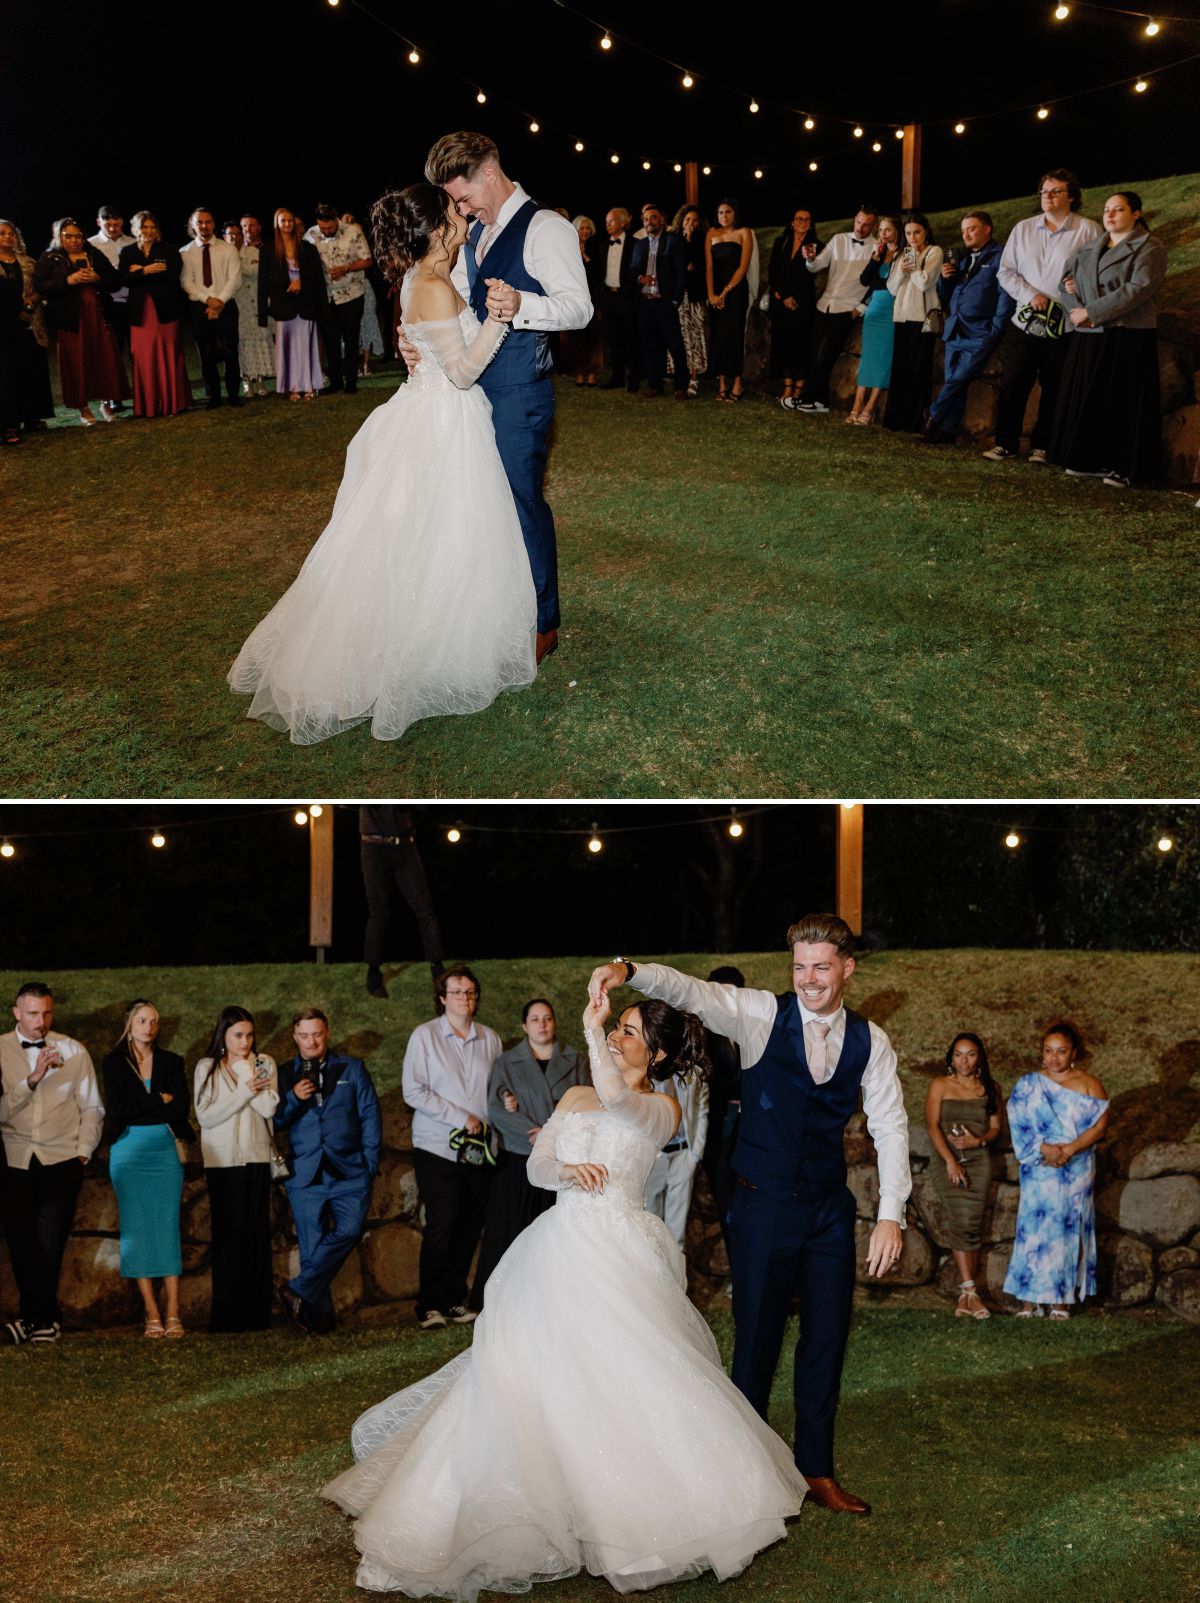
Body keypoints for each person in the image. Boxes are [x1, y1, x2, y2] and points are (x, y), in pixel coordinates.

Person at [322, 992, 808, 1595]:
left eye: (627, 1032)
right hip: (559, 1244)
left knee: (629, 1374)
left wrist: (588, 1023)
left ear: (655, 1053)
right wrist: (567, 1172)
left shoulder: (663, 1108)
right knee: (524, 1372)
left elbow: (619, 1100)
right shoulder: (576, 1095)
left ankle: (637, 1509)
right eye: (616, 1028)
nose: (614, 1038)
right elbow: (536, 1165)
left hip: (621, 1250)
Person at [588, 912, 910, 1516]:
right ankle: (742, 1475)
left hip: (828, 1214)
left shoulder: (872, 1041)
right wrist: (629, 970)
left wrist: (890, 1212)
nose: (809, 979)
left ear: (847, 969)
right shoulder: (761, 1014)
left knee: (827, 1340)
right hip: (761, 1206)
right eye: (799, 967)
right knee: (756, 1342)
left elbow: (890, 1124)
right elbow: (689, 992)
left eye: (821, 967)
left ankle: (815, 1469)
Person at [229, 183, 537, 744]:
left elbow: (428, 340)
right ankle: (419, 655)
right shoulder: (432, 284)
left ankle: (449, 645)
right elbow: (464, 372)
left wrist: (414, 337)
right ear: (438, 228)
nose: (463, 216)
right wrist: (497, 318)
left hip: (433, 413)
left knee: (433, 539)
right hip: (444, 421)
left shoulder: (424, 279)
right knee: (438, 536)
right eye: (454, 212)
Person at [424, 130, 593, 663]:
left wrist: (523, 303)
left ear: (489, 175)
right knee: (484, 507)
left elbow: (579, 308)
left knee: (521, 504)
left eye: (462, 195)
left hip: (521, 392)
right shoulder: (477, 232)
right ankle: (498, 609)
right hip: (473, 393)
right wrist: (420, 346)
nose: (459, 207)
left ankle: (543, 623)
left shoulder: (547, 228)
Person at [1, 983, 103, 1345]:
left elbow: (92, 1107)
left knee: (48, 1242)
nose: (40, 1021)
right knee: (21, 1242)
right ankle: (42, 1320)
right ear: (16, 1013)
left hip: (62, 1159)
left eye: (46, 1013)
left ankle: (34, 1320)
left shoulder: (74, 1050)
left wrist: (83, 1151)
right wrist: (32, 1079)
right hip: (15, 1159)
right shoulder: (1, 1050)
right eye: (32, 1013)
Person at [401, 966, 501, 1329]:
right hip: (437, 1145)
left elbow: (494, 1087)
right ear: (442, 998)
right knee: (442, 1222)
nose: (465, 998)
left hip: (480, 1149)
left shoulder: (490, 1038)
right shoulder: (424, 1036)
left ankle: (456, 1299)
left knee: (470, 1224)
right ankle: (429, 1305)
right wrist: (460, 1117)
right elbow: (413, 1090)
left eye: (471, 991)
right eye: (457, 992)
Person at [1050, 192, 1168, 488]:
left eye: (1118, 210)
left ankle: (1125, 467)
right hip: (1091, 333)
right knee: (1096, 398)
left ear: (1136, 214)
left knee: (1124, 402)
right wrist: (1076, 309)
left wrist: (1091, 310)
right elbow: (1065, 282)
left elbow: (1138, 289)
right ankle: (1091, 460)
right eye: (1106, 210)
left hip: (1127, 333)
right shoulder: (1092, 247)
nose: (1110, 215)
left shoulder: (1149, 248)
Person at [275, 1008, 381, 1335]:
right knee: (312, 1246)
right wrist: (293, 1098)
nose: (311, 1041)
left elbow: (369, 1116)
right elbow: (275, 1121)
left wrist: (369, 1165)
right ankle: (321, 1321)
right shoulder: (284, 1073)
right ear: (295, 1037)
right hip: (305, 1173)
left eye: (317, 1034)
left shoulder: (352, 1067)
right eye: (304, 1035)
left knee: (349, 1230)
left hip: (349, 1171)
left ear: (327, 1033)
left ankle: (296, 1290)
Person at [984, 168, 1102, 463]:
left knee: (1055, 386)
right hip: (1024, 321)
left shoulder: (1088, 230)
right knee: (1013, 382)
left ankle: (1043, 446)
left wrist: (1081, 288)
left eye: (1055, 191)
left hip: (1064, 324)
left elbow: (1097, 272)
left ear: (1071, 196)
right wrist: (1030, 295)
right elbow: (1006, 272)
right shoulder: (1023, 228)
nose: (1047, 196)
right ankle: (1006, 443)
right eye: (1044, 192)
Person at [471, 997, 585, 1302]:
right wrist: (531, 1133)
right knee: (511, 1229)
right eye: (535, 1019)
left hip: (559, 1158)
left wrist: (551, 1135)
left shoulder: (575, 1060)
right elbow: (497, 1109)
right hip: (520, 1157)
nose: (542, 1025)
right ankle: (501, 1297)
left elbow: (588, 1105)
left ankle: (551, 1295)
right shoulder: (507, 1063)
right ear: (524, 1026)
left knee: (554, 1232)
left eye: (547, 1018)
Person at [1004, 1022, 1109, 1319]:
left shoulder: (1089, 1084)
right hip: (1040, 1169)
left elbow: (1100, 1126)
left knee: (1066, 1231)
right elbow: (1018, 1124)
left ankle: (1061, 1300)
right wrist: (1044, 1149)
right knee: (1033, 1231)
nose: (1054, 1058)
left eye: (1061, 1051)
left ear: (1073, 1052)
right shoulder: (1028, 1085)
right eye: (1048, 1051)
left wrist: (1070, 1149)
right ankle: (1029, 1300)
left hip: (1075, 1169)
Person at [101, 999, 193, 1337]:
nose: (149, 1027)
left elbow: (180, 1107)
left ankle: (173, 1310)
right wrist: (158, 1100)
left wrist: (156, 1106)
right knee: (136, 1230)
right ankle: (150, 1310)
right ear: (130, 1023)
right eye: (142, 1020)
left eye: (154, 1021)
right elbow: (119, 1110)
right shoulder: (114, 1064)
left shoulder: (171, 1061)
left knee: (167, 1227)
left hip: (164, 1152)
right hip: (128, 1151)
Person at [193, 1006, 278, 1332]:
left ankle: (257, 1315)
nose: (245, 1041)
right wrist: (246, 1089)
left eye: (249, 1035)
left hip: (256, 1158)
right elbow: (207, 1116)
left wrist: (245, 1071)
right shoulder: (207, 1067)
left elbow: (269, 1106)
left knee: (256, 1235)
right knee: (228, 1236)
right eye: (238, 1035)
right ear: (224, 1036)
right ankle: (227, 1316)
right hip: (222, 1161)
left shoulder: (263, 1063)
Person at [923, 1033, 1003, 1319]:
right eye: (958, 1054)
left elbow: (995, 1128)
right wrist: (950, 1162)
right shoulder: (940, 1085)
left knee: (973, 1223)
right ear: (950, 1058)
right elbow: (932, 1126)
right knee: (959, 1220)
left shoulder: (990, 1088)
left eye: (970, 1054)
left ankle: (966, 1296)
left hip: (978, 1161)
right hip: (947, 1160)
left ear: (979, 1057)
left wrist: (977, 1141)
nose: (964, 1061)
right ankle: (971, 1291)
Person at [923, 211, 1014, 445]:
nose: (966, 234)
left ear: (987, 229)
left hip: (981, 331)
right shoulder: (961, 258)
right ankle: (946, 432)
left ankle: (933, 413)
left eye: (971, 229)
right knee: (955, 379)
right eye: (963, 230)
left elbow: (1005, 295)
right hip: (955, 329)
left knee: (959, 378)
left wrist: (995, 328)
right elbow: (946, 296)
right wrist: (945, 278)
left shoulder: (1000, 256)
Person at [34, 217, 129, 425]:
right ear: (59, 236)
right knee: (77, 362)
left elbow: (115, 279)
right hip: (70, 319)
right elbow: (40, 286)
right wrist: (68, 280)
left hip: (98, 314)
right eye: (68, 236)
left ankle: (106, 403)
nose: (75, 240)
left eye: (78, 236)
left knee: (104, 359)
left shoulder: (93, 253)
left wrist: (98, 278)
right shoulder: (50, 258)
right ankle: (83, 408)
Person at [795, 205, 877, 413]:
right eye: (859, 222)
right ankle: (822, 402)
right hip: (825, 305)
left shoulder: (876, 248)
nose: (861, 227)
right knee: (816, 353)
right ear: (855, 219)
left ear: (873, 226)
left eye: (867, 225)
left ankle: (808, 396)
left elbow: (877, 281)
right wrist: (810, 258)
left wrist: (860, 308)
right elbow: (817, 265)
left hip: (847, 308)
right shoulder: (839, 239)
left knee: (826, 352)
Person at [359, 807, 445, 999]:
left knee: (425, 909)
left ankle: (437, 968)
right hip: (373, 847)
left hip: (405, 847)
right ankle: (373, 972)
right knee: (378, 912)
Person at [119, 211, 191, 418]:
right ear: (136, 229)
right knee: (144, 356)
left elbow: (171, 276)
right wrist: (146, 271)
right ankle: (148, 404)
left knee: (169, 353)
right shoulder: (127, 251)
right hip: (139, 313)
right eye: (144, 227)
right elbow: (124, 278)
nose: (149, 231)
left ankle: (174, 402)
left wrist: (139, 272)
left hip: (166, 311)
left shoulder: (169, 249)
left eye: (152, 227)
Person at [700, 964, 745, 1269]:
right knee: (727, 1203)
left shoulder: (751, 1030)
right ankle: (737, 1270)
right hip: (718, 1132)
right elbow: (708, 1082)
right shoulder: (702, 1035)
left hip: (750, 1129)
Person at [883, 212, 944, 433]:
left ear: (925, 231)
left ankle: (915, 421)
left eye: (916, 232)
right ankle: (895, 419)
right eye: (908, 233)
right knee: (901, 369)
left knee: (919, 370)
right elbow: (891, 287)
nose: (912, 237)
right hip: (901, 316)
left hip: (922, 319)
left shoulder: (934, 252)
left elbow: (926, 283)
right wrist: (902, 270)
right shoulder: (901, 254)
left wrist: (914, 268)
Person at [644, 1046, 709, 1251]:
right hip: (654, 1156)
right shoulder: (643, 1072)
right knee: (649, 1220)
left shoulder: (694, 1073)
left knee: (677, 1227)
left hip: (683, 1153)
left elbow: (702, 1112)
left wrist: (695, 1154)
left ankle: (675, 1278)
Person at [305, 202, 373, 395]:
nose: (326, 231)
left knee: (351, 339)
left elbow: (367, 260)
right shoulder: (310, 235)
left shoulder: (353, 232)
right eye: (322, 228)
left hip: (352, 293)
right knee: (330, 341)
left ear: (336, 220)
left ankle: (350, 380)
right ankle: (335, 381)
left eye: (330, 227)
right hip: (326, 297)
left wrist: (346, 268)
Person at [179, 207, 243, 409]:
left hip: (226, 305)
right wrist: (208, 300)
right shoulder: (185, 252)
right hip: (200, 307)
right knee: (206, 355)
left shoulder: (228, 249)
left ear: (214, 224)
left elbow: (235, 279)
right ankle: (214, 396)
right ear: (193, 225)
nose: (204, 226)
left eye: (208, 222)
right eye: (199, 222)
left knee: (231, 352)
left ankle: (233, 394)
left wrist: (220, 301)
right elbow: (186, 282)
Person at [259, 207, 326, 401]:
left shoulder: (308, 248)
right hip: (283, 306)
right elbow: (265, 281)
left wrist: (301, 283)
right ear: (277, 224)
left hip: (305, 306)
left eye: (290, 220)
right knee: (287, 350)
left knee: (307, 347)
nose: (287, 224)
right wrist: (264, 312)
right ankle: (294, 387)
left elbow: (317, 280)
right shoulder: (269, 249)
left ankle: (309, 385)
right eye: (283, 221)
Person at [628, 202, 690, 400]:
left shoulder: (673, 241)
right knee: (650, 345)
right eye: (645, 219)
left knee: (675, 344)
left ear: (662, 219)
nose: (649, 222)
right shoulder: (640, 244)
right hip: (645, 302)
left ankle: (681, 386)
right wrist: (640, 278)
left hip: (665, 302)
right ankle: (655, 384)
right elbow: (631, 271)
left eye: (653, 218)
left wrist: (675, 300)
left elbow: (681, 274)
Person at [0, 219, 53, 444]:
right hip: (3, 325)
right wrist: (13, 309)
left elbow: (41, 289)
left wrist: (30, 302)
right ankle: (9, 423)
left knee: (30, 368)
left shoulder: (28, 262)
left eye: (11, 234)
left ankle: (32, 416)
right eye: (2, 234)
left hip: (30, 321)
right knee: (6, 374)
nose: (7, 237)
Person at [849, 215, 901, 425]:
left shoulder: (902, 254)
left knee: (883, 357)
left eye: (887, 230)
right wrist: (875, 259)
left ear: (897, 231)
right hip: (874, 308)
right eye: (880, 231)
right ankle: (857, 403)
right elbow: (865, 280)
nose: (882, 235)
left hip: (892, 307)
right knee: (868, 356)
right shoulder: (880, 253)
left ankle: (870, 407)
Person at [770, 207, 819, 410]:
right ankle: (787, 386)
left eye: (807, 219)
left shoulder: (815, 245)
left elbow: (811, 274)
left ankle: (799, 389)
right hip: (782, 300)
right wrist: (782, 295)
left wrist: (794, 297)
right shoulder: (781, 243)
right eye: (799, 219)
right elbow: (773, 269)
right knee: (783, 343)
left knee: (801, 345)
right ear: (792, 222)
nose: (803, 223)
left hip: (802, 303)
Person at [705, 199, 753, 402]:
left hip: (735, 290)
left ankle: (737, 382)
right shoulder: (711, 234)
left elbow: (743, 268)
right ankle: (722, 382)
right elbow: (708, 267)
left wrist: (725, 292)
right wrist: (711, 295)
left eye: (728, 212)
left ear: (735, 213)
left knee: (734, 334)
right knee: (718, 335)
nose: (724, 216)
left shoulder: (744, 232)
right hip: (716, 291)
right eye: (720, 212)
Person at [87, 206, 135, 411]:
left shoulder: (133, 242)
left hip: (133, 302)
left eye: (116, 224)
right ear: (99, 222)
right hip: (107, 303)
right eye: (108, 224)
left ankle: (142, 391)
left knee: (136, 351)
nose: (113, 227)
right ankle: (114, 396)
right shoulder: (90, 245)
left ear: (122, 222)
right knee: (112, 351)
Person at [554, 215, 605, 385]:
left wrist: (586, 257)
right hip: (574, 297)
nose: (585, 231)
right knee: (575, 338)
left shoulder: (595, 247)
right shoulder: (568, 247)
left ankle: (592, 373)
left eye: (587, 229)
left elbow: (598, 274)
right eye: (582, 228)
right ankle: (578, 373)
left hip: (593, 298)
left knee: (592, 337)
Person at [598, 206, 640, 392]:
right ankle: (617, 377)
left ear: (623, 222)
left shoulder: (635, 244)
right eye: (606, 222)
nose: (607, 225)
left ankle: (634, 379)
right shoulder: (602, 244)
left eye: (611, 221)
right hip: (608, 297)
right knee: (613, 340)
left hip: (626, 297)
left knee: (631, 339)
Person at [231, 216, 274, 396]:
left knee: (260, 339)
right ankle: (247, 379)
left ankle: (262, 379)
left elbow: (255, 271)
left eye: (237, 234)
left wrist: (240, 266)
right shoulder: (228, 254)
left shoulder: (254, 252)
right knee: (242, 342)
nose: (234, 238)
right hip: (239, 304)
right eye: (230, 235)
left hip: (256, 302)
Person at [673, 204, 709, 396]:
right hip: (678, 297)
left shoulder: (703, 240)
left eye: (695, 220)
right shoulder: (674, 239)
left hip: (695, 296)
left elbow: (696, 265)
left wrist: (690, 239)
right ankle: (681, 375)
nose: (691, 223)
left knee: (695, 335)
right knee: (680, 336)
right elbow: (679, 266)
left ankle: (694, 378)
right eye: (687, 220)